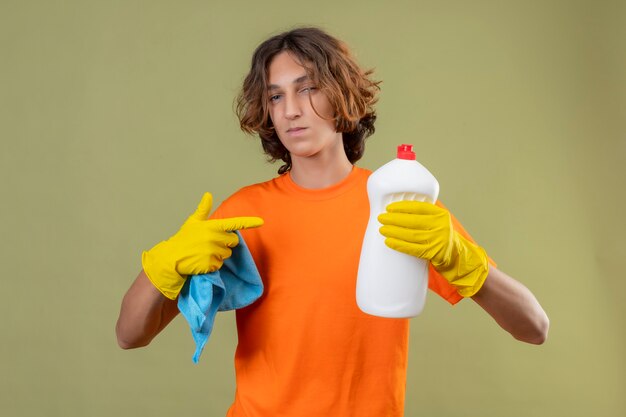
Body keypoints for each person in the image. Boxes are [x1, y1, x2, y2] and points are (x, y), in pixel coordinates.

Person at [116, 27, 549, 417]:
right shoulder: (243, 215)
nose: (289, 110)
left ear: (341, 94)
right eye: (275, 96)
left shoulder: (397, 206)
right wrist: (165, 263)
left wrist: (462, 260)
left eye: (307, 89)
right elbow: (129, 335)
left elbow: (534, 327)